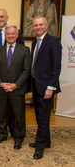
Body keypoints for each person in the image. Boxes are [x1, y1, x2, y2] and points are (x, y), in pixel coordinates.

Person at [0, 9, 24, 135]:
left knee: (12, 106)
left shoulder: (15, 32)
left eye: (2, 17)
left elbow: (22, 54)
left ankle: (11, 127)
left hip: (13, 76)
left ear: (7, 17)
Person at [0, 24, 31, 150]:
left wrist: (16, 85)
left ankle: (19, 138)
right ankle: (2, 134)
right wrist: (1, 83)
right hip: (1, 89)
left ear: (17, 35)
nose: (10, 36)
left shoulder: (24, 50)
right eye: (8, 34)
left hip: (17, 90)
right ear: (5, 35)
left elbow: (26, 70)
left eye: (12, 33)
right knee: (2, 114)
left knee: (19, 115)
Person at [29, 16, 62, 159]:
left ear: (47, 25)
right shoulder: (35, 42)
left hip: (47, 87)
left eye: (41, 25)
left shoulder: (53, 42)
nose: (38, 27)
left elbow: (56, 67)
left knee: (43, 117)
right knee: (40, 115)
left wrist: (51, 87)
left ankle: (40, 146)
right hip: (37, 86)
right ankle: (46, 141)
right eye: (36, 25)